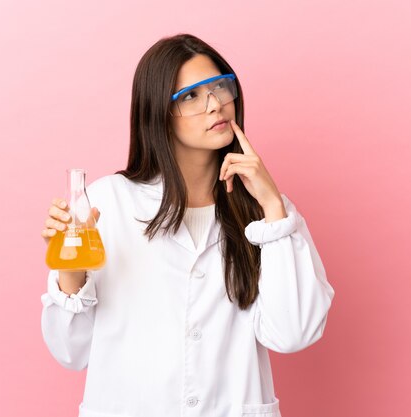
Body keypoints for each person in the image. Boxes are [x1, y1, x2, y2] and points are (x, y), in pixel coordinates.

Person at [40, 33, 335, 417]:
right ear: (158, 113)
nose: (215, 104)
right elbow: (70, 351)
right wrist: (70, 270)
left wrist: (273, 208)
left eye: (220, 87)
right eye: (192, 96)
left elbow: (294, 333)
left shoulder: (266, 211)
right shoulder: (107, 202)